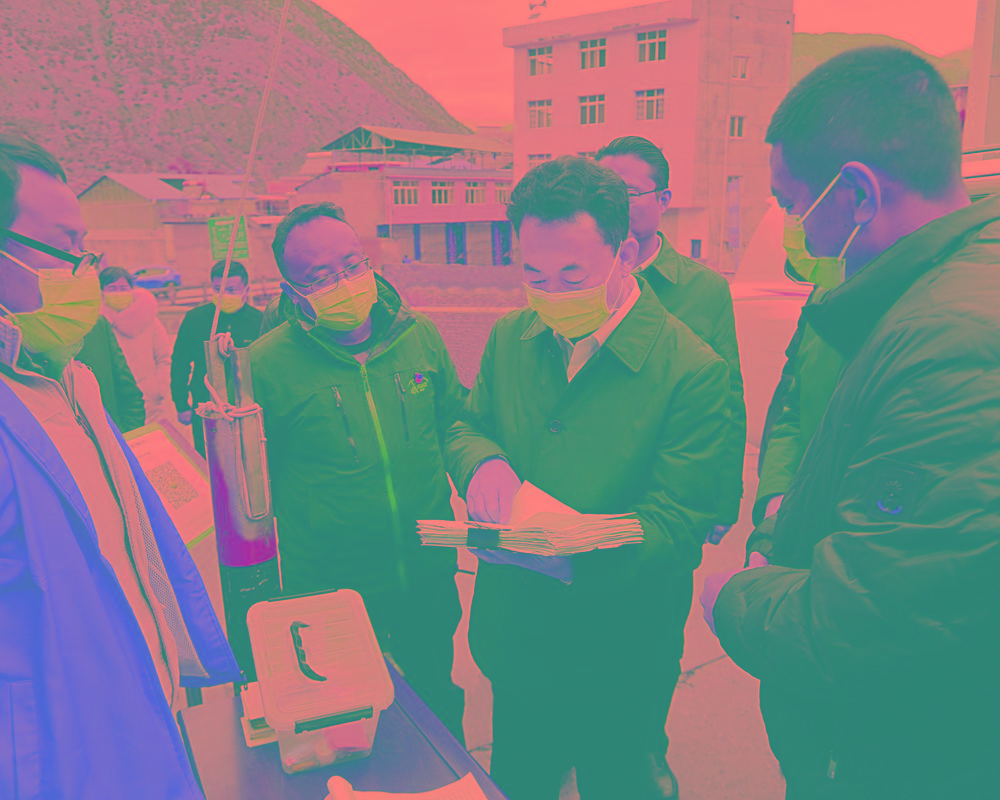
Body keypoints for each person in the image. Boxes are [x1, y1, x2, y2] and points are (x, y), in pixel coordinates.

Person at [701, 47, 999, 799]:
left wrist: (732, 595)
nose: (796, 230)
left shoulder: (952, 341)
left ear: (859, 194)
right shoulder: (931, 294)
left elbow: (867, 626)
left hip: (916, 756)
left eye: (790, 204)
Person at [446, 156, 731, 799]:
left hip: (619, 648)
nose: (552, 293)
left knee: (618, 781)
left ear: (625, 253)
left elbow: (678, 522)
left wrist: (576, 551)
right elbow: (468, 425)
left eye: (572, 275)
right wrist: (483, 463)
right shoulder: (511, 335)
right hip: (518, 636)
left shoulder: (691, 369)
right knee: (520, 779)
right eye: (533, 275)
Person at [0, 136, 242, 798]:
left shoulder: (71, 378)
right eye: (66, 246)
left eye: (88, 248)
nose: (85, 269)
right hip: (61, 761)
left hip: (146, 710)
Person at [249, 202, 469, 742]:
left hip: (426, 570)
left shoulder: (418, 335)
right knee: (348, 725)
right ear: (293, 291)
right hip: (330, 588)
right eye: (321, 277)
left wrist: (484, 475)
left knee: (436, 698)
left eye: (352, 265)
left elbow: (455, 421)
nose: (344, 283)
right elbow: (250, 481)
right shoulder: (265, 365)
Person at [596, 136, 746, 544]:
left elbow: (728, 401)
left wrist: (723, 497)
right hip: (589, 486)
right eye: (603, 193)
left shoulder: (705, 289)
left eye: (628, 193)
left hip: (669, 488)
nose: (613, 205)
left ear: (663, 200)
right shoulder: (578, 284)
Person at [170, 259, 263, 456]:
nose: (224, 295)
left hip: (247, 406)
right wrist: (181, 403)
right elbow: (180, 363)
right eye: (218, 289)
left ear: (246, 290)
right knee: (210, 459)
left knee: (248, 456)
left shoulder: (259, 321)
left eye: (231, 290)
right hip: (206, 405)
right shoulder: (195, 319)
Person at [99, 266, 174, 426]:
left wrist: (158, 388)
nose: (118, 293)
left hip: (150, 401)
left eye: (123, 288)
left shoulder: (149, 319)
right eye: (112, 288)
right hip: (111, 402)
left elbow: (164, 356)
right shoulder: (96, 324)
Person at [73, 303, 147, 432]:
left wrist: (129, 436)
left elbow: (128, 394)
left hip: (112, 435)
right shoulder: (34, 340)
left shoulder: (96, 325)